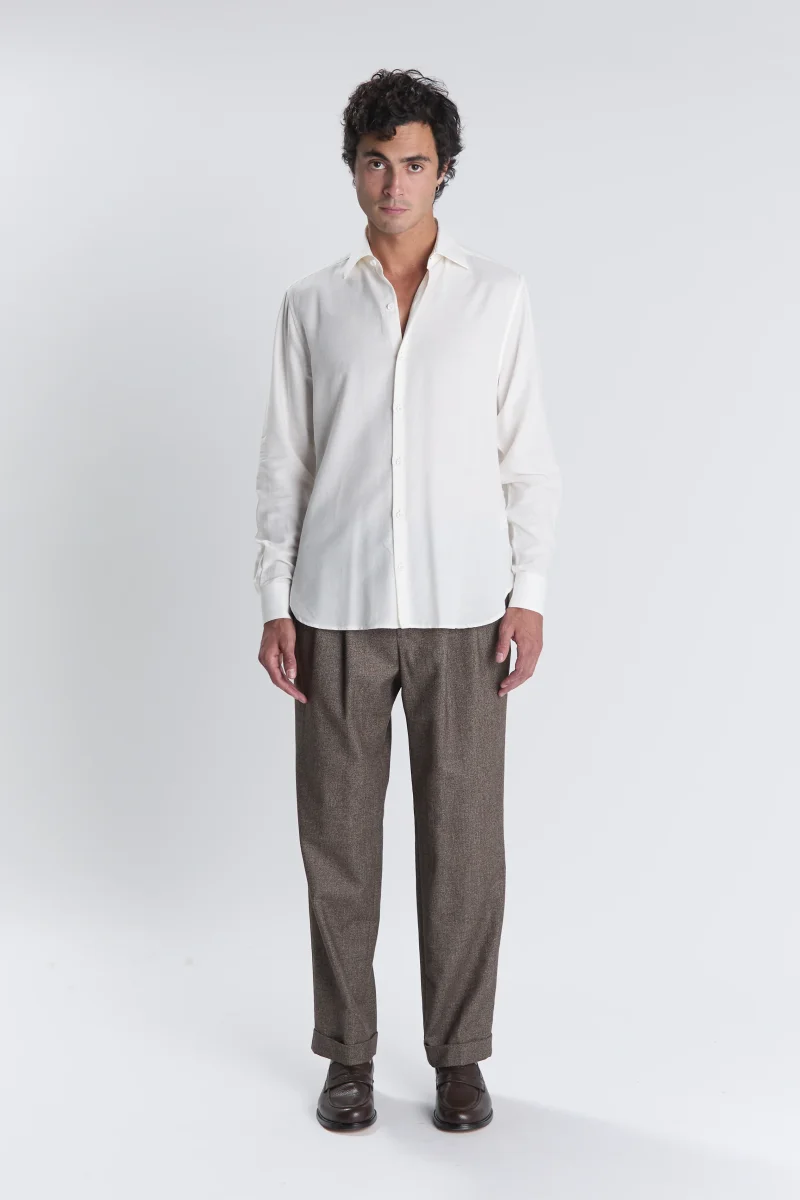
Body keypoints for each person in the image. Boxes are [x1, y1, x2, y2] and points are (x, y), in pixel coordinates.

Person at [254, 68, 561, 1133]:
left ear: (444, 172)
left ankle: (458, 1058)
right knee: (337, 850)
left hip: (466, 610)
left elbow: (526, 455)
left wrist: (529, 593)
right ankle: (347, 1056)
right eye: (376, 162)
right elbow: (285, 462)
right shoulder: (310, 305)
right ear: (352, 171)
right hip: (334, 609)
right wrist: (274, 596)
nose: (394, 182)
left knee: (463, 850)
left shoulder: (497, 297)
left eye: (415, 163)